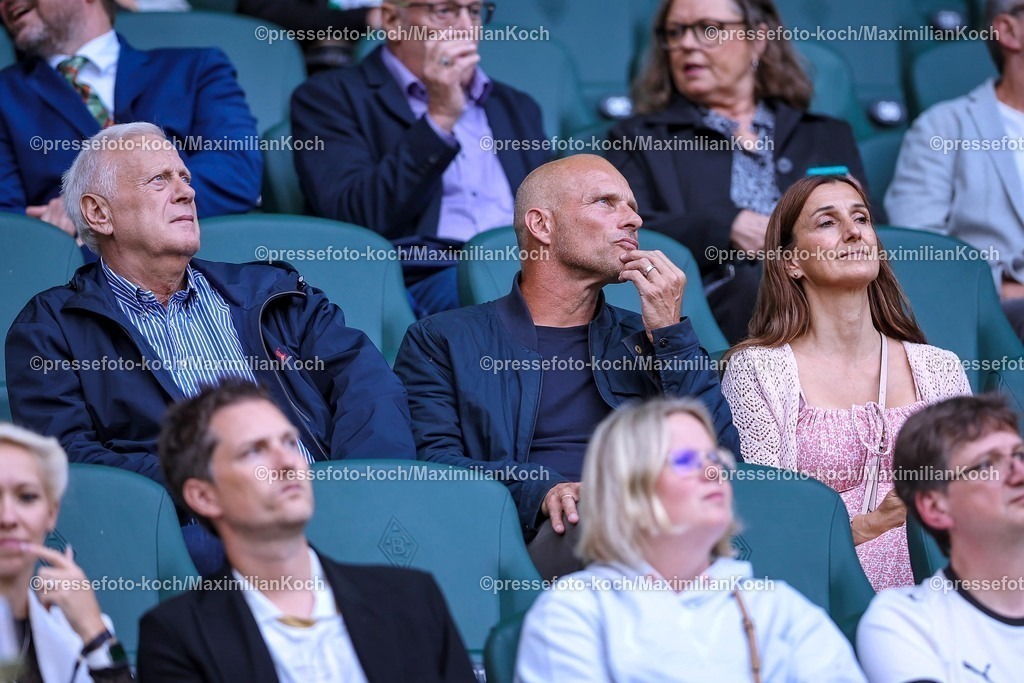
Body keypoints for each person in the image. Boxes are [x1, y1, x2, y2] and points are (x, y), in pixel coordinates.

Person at [5, 123, 415, 574]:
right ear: (99, 214)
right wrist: (213, 484)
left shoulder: (274, 291)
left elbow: (369, 387)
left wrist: (359, 490)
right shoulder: (51, 329)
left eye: (185, 178)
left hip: (334, 509)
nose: (185, 193)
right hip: (197, 533)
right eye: (159, 180)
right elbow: (71, 460)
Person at [394, 155, 739, 580]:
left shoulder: (654, 338)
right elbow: (434, 463)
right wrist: (538, 489)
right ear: (542, 226)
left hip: (655, 521)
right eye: (606, 202)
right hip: (526, 536)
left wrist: (671, 336)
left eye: (632, 206)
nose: (633, 219)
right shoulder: (444, 338)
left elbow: (721, 459)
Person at [721, 174, 972, 591]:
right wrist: (876, 523)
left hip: (945, 590)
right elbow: (772, 527)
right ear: (791, 262)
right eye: (827, 222)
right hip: (825, 592)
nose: (854, 230)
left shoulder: (939, 367)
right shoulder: (757, 372)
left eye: (861, 218)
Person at [137, 379, 475, 682]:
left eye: (288, 441)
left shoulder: (411, 599)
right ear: (204, 496)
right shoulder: (176, 636)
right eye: (254, 450)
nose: (287, 461)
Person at [515, 397, 866, 682]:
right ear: (627, 491)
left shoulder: (778, 609)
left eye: (715, 458)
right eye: (684, 460)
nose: (711, 471)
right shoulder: (573, 614)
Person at [606, 0, 865, 343]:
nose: (686, 44)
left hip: (835, 296)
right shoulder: (639, 137)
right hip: (719, 308)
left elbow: (868, 230)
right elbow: (627, 231)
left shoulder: (824, 133)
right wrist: (725, 227)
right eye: (675, 32)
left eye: (708, 29)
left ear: (757, 39)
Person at [291, 0, 549, 317]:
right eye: (445, 11)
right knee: (525, 306)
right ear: (392, 20)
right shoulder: (328, 97)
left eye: (474, 11)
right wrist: (438, 119)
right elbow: (355, 217)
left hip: (531, 269)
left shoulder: (516, 106)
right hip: (422, 276)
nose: (467, 27)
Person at [0, 0, 261, 239]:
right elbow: (10, 224)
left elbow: (236, 174)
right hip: (76, 275)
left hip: (199, 260)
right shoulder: (5, 94)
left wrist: (97, 209)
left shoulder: (196, 68)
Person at [857, 394, 1024, 683]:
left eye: (1020, 455)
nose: (1019, 473)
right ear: (936, 508)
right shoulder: (907, 623)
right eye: (987, 465)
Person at [886, 0, 1024, 340]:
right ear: (1009, 30)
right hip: (996, 312)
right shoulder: (944, 127)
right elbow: (917, 251)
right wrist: (1004, 288)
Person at [0, 423, 132, 682]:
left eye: (26, 497)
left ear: (51, 514)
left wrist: (95, 631)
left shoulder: (75, 625)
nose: (7, 517)